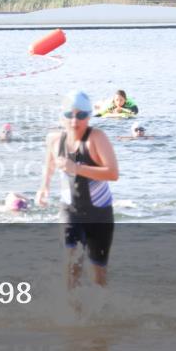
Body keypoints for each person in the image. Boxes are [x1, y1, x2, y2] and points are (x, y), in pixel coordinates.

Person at [37, 90, 119, 290]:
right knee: (71, 262)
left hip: (99, 214)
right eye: (69, 115)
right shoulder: (54, 140)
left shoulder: (97, 138)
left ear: (89, 116)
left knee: (98, 274)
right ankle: (72, 314)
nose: (74, 121)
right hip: (70, 211)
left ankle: (101, 314)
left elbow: (113, 173)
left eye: (81, 115)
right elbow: (49, 163)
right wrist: (44, 187)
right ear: (62, 116)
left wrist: (77, 168)